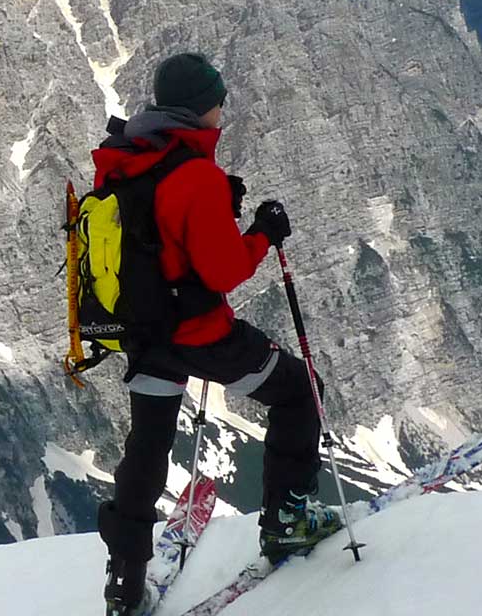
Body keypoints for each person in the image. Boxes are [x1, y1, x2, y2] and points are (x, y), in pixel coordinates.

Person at [93, 53, 341, 616]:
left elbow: (153, 237)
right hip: (199, 334)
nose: (223, 108)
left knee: (148, 448)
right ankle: (288, 520)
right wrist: (260, 232)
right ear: (199, 108)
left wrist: (212, 209)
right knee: (299, 391)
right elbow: (224, 271)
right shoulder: (193, 175)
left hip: (142, 333)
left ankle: (125, 582)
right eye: (218, 100)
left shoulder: (125, 159)